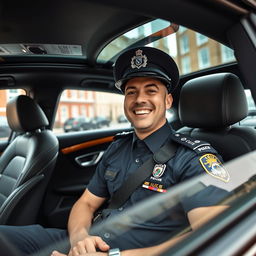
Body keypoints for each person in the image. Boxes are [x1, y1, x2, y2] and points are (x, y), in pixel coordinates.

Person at [0, 47, 229, 256]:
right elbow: (86, 204)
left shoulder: (194, 158)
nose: (140, 100)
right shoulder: (117, 148)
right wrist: (80, 239)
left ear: (168, 100)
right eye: (131, 92)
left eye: (151, 91)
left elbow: (212, 235)